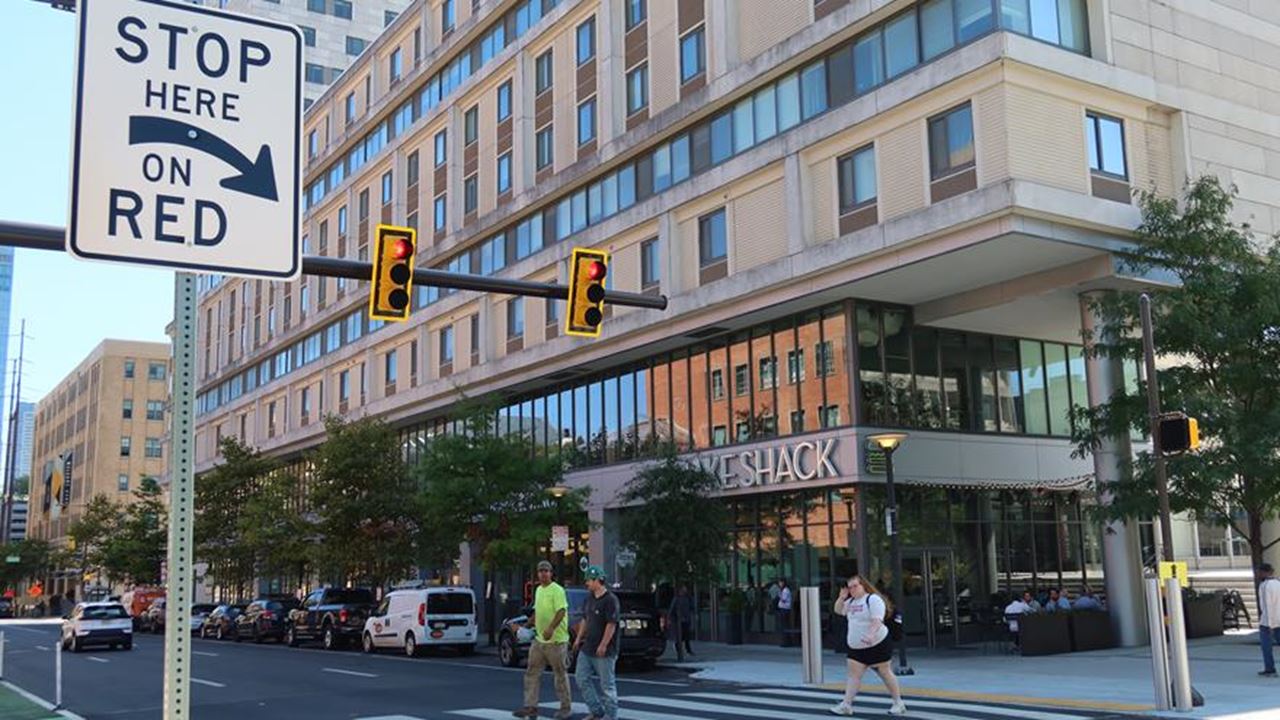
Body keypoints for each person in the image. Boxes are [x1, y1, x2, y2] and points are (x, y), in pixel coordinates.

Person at [829, 575, 907, 716]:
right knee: (853, 676)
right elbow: (838, 610)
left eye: (855, 586)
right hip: (856, 647)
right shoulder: (850, 602)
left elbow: (877, 620)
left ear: (863, 585)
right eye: (850, 587)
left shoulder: (873, 599)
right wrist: (841, 597)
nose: (852, 589)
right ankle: (846, 704)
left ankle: (898, 702)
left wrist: (870, 635)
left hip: (877, 644)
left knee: (885, 673)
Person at [513, 561, 572, 719]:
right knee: (531, 672)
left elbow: (561, 611)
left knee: (560, 674)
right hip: (539, 640)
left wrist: (551, 628)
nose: (543, 574)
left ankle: (565, 708)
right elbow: (537, 612)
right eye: (540, 571)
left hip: (556, 641)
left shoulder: (557, 590)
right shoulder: (538, 590)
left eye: (546, 571)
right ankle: (530, 707)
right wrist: (525, 626)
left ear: (551, 573)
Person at [573, 565, 619, 720]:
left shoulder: (610, 600)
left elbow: (611, 624)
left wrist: (604, 644)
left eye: (589, 580)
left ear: (598, 581)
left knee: (607, 685)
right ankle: (596, 710)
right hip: (588, 648)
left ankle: (611, 715)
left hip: (604, 650)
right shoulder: (589, 598)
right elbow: (585, 619)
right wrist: (579, 638)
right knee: (581, 678)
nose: (587, 583)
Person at [1257, 563, 1280, 677]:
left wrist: (1270, 624)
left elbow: (1267, 606)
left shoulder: (1264, 586)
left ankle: (1270, 668)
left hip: (1268, 622)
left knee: (1266, 647)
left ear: (1264, 572)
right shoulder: (1278, 583)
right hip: (1279, 619)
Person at [663, 586, 695, 661]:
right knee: (679, 636)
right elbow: (672, 609)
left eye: (685, 590)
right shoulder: (676, 599)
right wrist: (670, 618)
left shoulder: (688, 598)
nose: (684, 591)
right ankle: (679, 649)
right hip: (679, 621)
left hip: (686, 620)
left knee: (686, 636)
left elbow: (692, 607)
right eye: (683, 590)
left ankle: (688, 650)